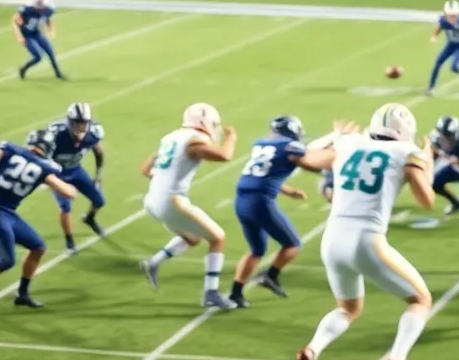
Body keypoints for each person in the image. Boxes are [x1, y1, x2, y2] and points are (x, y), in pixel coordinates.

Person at [292, 106, 436, 360]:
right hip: (366, 239)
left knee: (348, 308)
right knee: (420, 300)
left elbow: (305, 158)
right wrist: (427, 161)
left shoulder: (349, 143)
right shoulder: (407, 152)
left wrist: (334, 135)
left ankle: (313, 348)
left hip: (331, 239)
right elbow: (427, 200)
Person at [0, 130, 77, 313]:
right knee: (7, 260)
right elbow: (69, 193)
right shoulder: (44, 168)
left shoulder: (11, 150)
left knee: (38, 247)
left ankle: (22, 293)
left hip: (3, 211)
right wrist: (61, 180)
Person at [138, 103, 239, 310]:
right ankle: (211, 292)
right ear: (203, 122)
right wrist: (231, 138)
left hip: (152, 201)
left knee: (192, 238)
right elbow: (224, 155)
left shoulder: (171, 137)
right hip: (172, 201)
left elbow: (145, 170)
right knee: (217, 237)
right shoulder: (193, 141)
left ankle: (153, 263)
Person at [228, 116, 328, 307]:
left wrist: (289, 191)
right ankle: (270, 275)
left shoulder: (261, 145)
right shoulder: (290, 146)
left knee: (256, 250)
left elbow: (262, 174)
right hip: (260, 202)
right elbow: (309, 163)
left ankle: (236, 293)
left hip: (241, 201)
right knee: (292, 244)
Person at [46, 102, 106, 253]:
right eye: (79, 122)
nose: (82, 126)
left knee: (99, 200)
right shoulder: (57, 134)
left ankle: (89, 219)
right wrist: (48, 178)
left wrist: (98, 175)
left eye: (85, 122)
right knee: (65, 207)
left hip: (75, 170)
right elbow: (42, 156)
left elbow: (99, 152)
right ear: (71, 122)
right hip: (58, 174)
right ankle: (69, 240)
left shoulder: (93, 133)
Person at [14, 0, 66, 80]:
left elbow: (47, 19)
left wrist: (51, 30)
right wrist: (20, 36)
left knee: (50, 52)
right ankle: (23, 68)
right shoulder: (27, 9)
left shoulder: (47, 9)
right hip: (28, 36)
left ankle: (58, 73)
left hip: (37, 33)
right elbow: (16, 20)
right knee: (38, 56)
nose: (41, 7)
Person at [427, 0, 459, 94]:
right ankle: (430, 88)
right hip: (450, 45)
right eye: (450, 15)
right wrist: (434, 36)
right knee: (437, 63)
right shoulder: (443, 21)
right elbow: (438, 29)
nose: (452, 18)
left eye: (454, 15)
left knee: (454, 67)